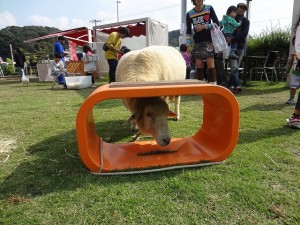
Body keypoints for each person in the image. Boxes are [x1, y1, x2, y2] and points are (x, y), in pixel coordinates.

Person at [186, 0, 219, 84]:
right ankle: (200, 86)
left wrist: (204, 26)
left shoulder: (209, 8)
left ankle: (213, 84)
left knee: (210, 64)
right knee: (199, 65)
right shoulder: (189, 13)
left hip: (209, 40)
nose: (199, 0)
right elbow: (188, 31)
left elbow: (217, 24)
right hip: (197, 41)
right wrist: (188, 44)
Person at [227, 3, 250, 93]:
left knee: (236, 68)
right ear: (237, 8)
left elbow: (244, 34)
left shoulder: (246, 21)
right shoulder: (231, 18)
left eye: (244, 9)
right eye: (241, 8)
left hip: (240, 46)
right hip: (231, 47)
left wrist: (232, 39)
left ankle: (231, 85)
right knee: (233, 67)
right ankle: (237, 85)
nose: (242, 10)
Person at [287, 16, 300, 128]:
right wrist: (287, 71)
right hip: (297, 68)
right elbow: (290, 62)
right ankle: (296, 117)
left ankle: (296, 117)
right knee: (294, 86)